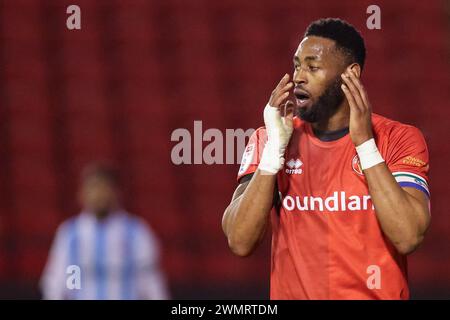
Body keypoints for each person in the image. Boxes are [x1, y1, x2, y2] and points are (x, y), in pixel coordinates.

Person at [222, 18, 430, 300]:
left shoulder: (400, 138)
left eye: (313, 67)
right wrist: (273, 153)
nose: (299, 77)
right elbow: (239, 240)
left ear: (350, 74)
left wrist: (365, 145)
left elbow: (407, 236)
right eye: (297, 65)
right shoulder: (269, 139)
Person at [40, 163, 169, 299]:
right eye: (93, 188)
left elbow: (150, 281)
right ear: (82, 194)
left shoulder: (136, 233)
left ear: (116, 192)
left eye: (104, 188)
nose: (99, 195)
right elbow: (58, 281)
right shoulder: (71, 234)